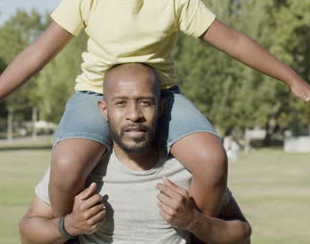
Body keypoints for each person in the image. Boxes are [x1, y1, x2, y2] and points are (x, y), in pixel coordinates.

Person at [0, 0, 310, 221]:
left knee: (212, 158)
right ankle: (68, 234)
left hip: (161, 96)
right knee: (66, 162)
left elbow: (233, 40)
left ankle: (195, 234)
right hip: (95, 95)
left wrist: (292, 79)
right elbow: (36, 54)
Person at [19, 63, 252, 244]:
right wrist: (69, 225)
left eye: (145, 103)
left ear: (161, 108)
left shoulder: (186, 167)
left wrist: (194, 221)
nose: (134, 114)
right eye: (121, 103)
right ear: (104, 110)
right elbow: (28, 232)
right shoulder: (81, 168)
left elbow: (242, 235)